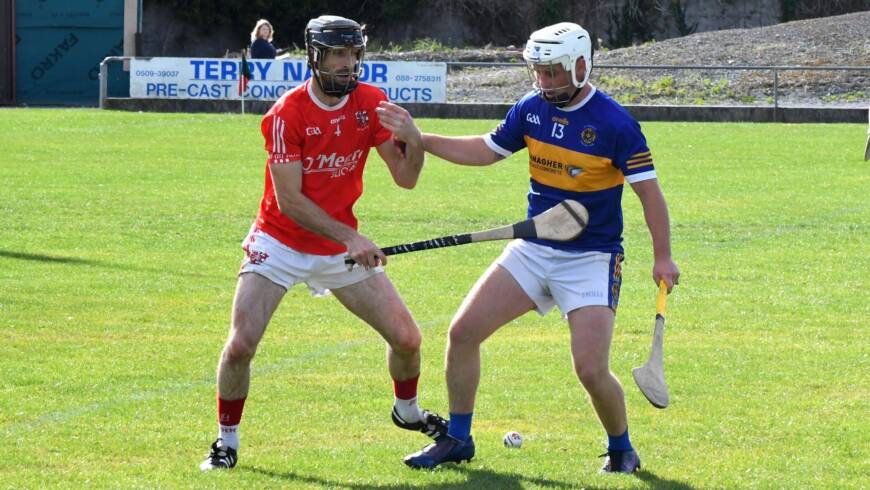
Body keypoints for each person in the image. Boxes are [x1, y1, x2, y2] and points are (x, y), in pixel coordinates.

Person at [403, 22, 680, 473]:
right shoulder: (531, 109)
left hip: (592, 257)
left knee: (590, 370)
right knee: (463, 331)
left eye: (554, 72)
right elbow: (486, 150)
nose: (545, 82)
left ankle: (621, 447)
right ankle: (458, 437)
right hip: (533, 248)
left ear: (581, 65)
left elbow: (650, 193)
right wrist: (424, 140)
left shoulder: (615, 124)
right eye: (539, 72)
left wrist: (663, 255)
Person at [200, 15, 447, 471]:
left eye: (354, 54)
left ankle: (407, 411)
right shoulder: (285, 115)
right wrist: (350, 236)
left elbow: (405, 180)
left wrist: (413, 141)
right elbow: (290, 201)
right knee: (241, 346)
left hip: (338, 250)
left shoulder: (372, 104)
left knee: (408, 340)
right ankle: (226, 442)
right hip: (280, 242)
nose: (348, 64)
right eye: (338, 54)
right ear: (315, 56)